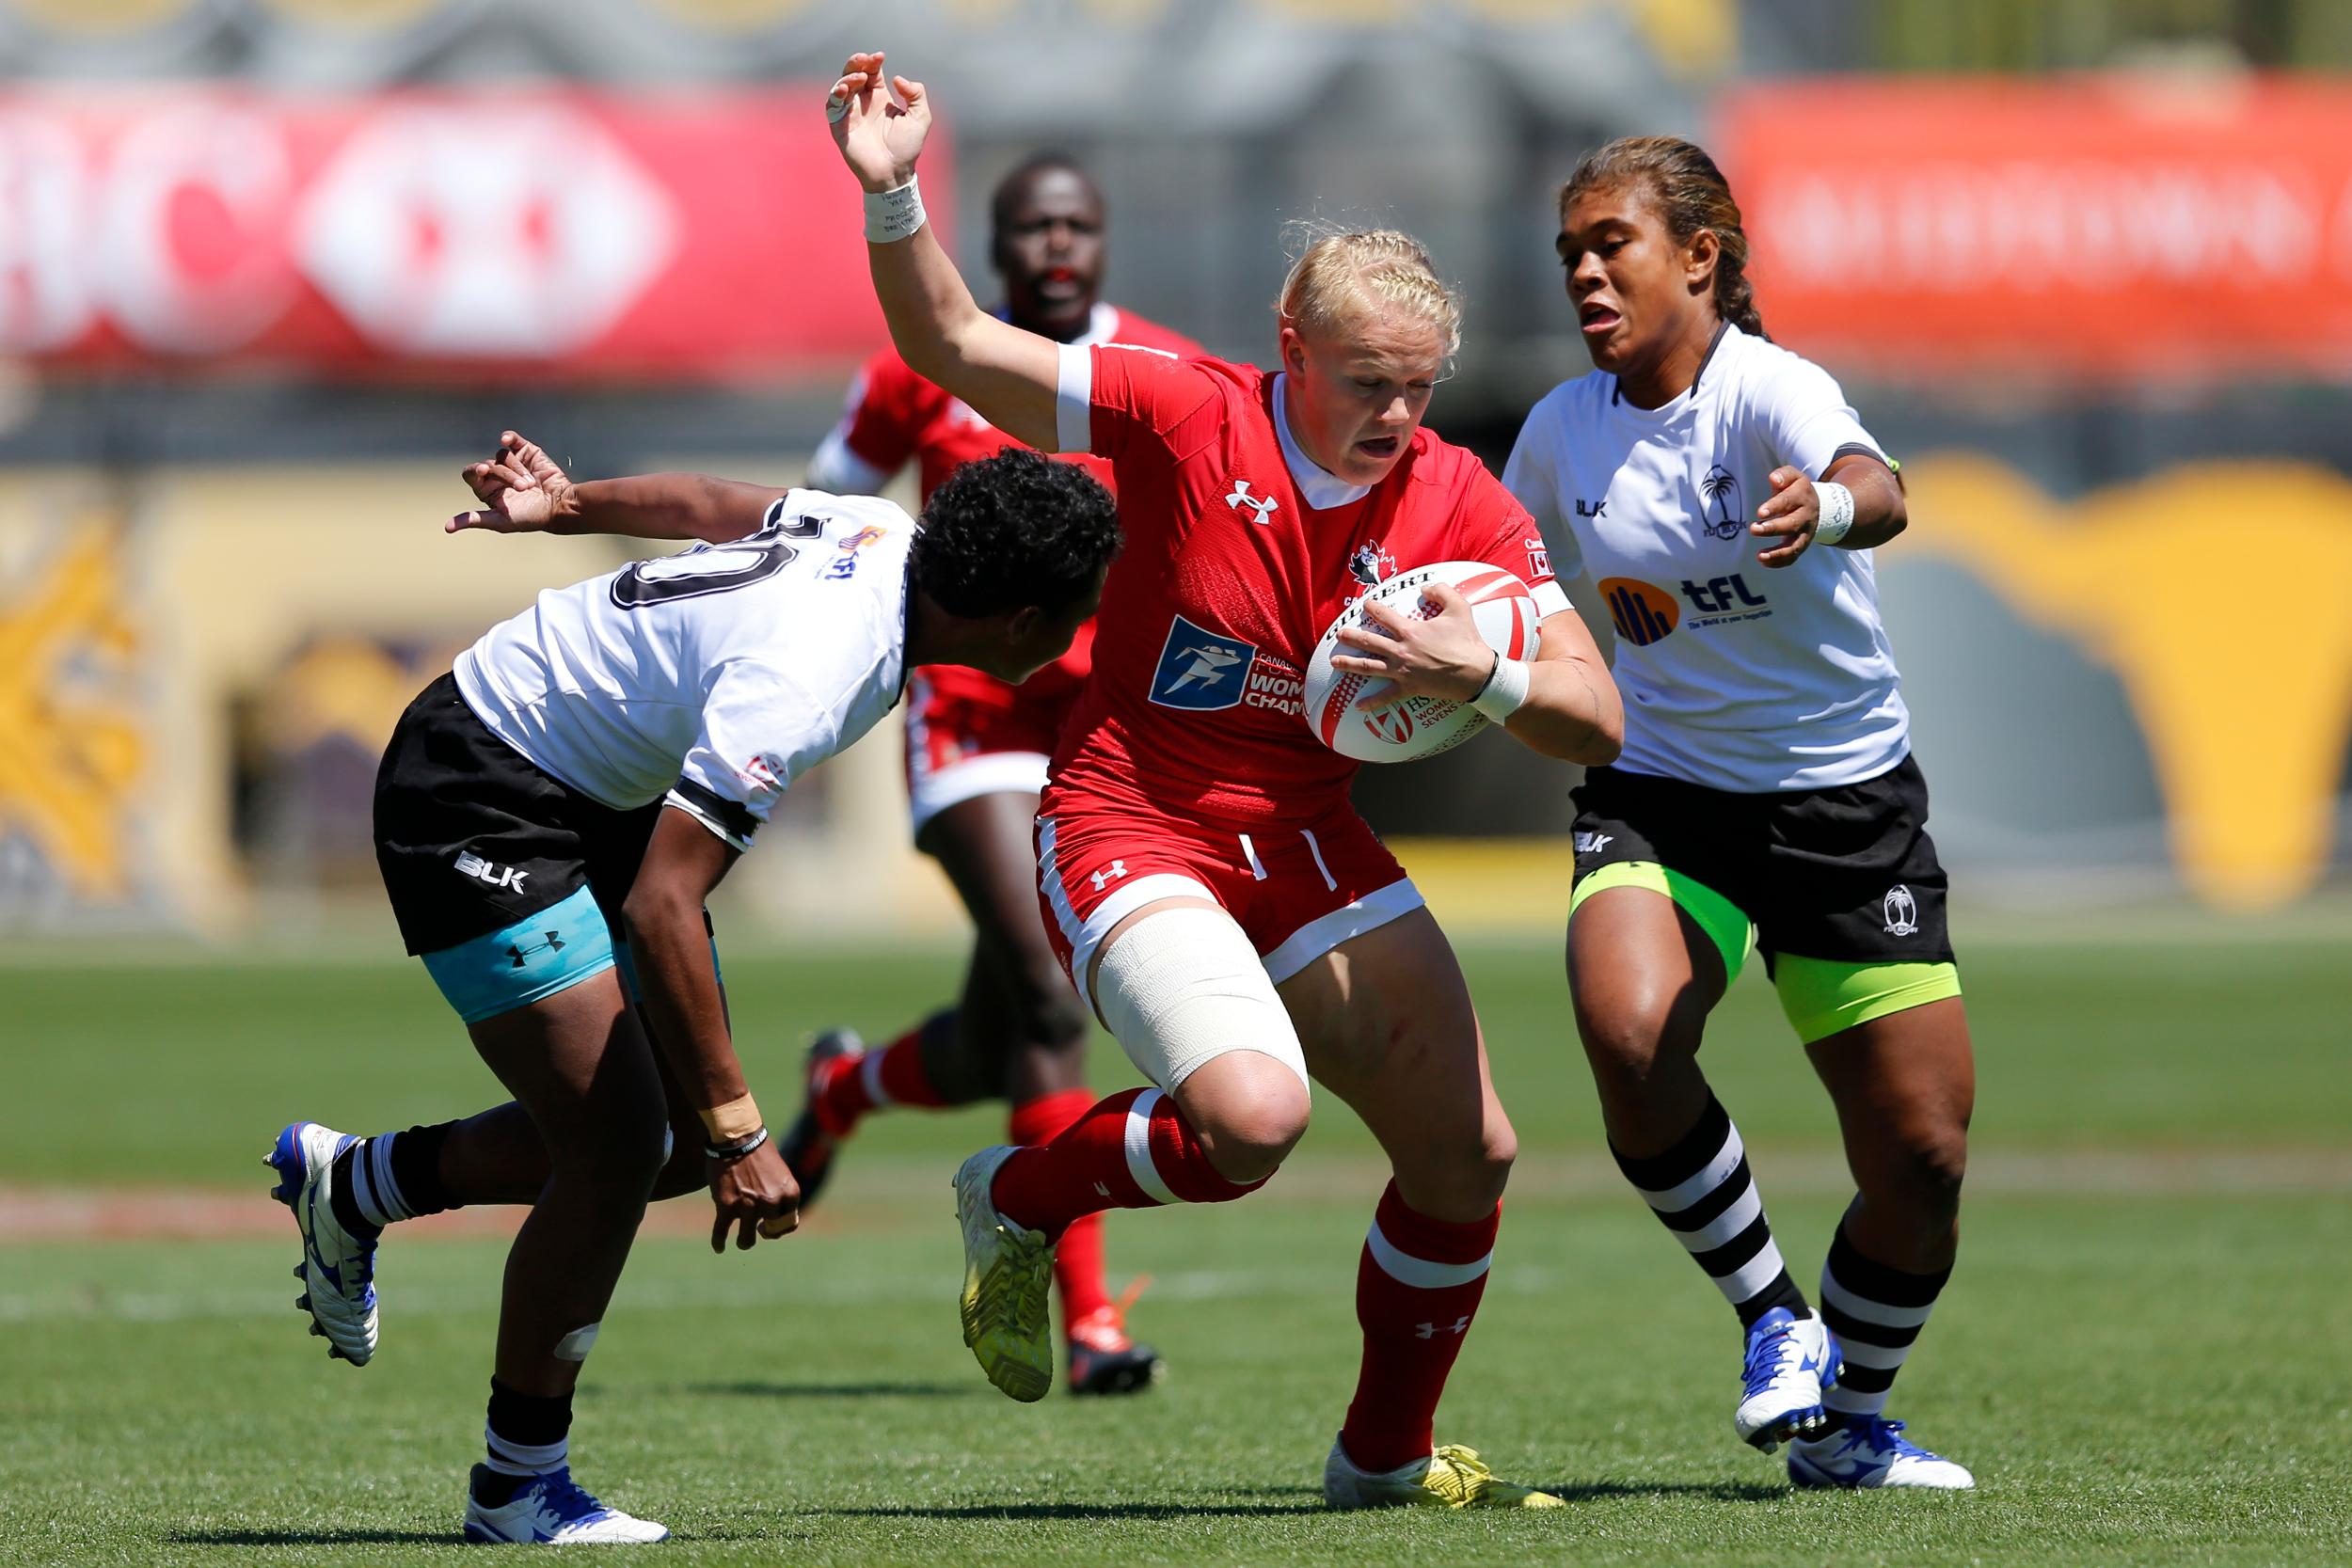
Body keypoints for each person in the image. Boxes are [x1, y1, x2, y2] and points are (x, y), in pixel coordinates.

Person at [824, 52, 1623, 1510]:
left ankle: (1378, 1459)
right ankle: (1015, 1189)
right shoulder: (1184, 410)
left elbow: (1595, 717)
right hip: (1131, 817)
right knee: (1253, 1122)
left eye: (1419, 389)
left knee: (1468, 1149)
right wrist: (892, 192)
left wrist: (1487, 678)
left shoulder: (1457, 497)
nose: (1396, 415)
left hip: (1305, 838)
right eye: (1368, 383)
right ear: (1290, 350)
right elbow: (947, 341)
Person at [266, 442, 1120, 1544]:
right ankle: (515, 1484)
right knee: (629, 1146)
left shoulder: (879, 530)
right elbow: (664, 906)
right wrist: (742, 1129)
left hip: (582, 786)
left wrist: (565, 504)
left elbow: (715, 504)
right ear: (1018, 621)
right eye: (1078, 613)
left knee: (653, 1149)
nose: (1079, 637)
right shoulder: (822, 671)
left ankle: (360, 1181)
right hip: (477, 788)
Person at [1502, 135, 1975, 1491]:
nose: (1588, 273)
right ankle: (1776, 1317)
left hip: (1845, 806)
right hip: (1664, 797)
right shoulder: (1560, 430)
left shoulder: (1770, 388)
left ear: (1701, 257)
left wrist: (1826, 504)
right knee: (1628, 1027)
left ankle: (1850, 1420)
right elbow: (1490, 557)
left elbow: (1879, 489)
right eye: (1571, 253)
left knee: (1925, 1159)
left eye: (1615, 245)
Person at [786, 152, 1204, 1398]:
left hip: (1100, 734)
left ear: (1106, 239)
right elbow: (822, 507)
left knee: (995, 1038)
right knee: (1051, 989)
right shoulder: (923, 367)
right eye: (1031, 226)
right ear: (998, 242)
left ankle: (847, 1085)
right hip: (969, 721)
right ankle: (1088, 1320)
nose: (1056, 245)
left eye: (1077, 223)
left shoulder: (1162, 372)